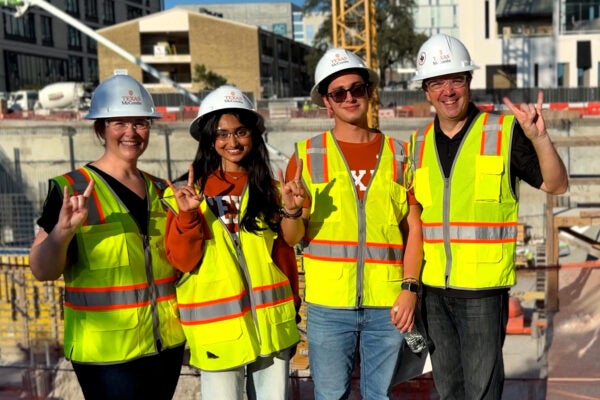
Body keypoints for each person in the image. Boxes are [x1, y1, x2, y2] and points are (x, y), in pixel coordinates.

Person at [409, 33, 568, 399]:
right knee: (448, 390)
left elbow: (556, 185)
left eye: (456, 80)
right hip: (434, 292)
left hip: (482, 293)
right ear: (426, 91)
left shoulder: (503, 132)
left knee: (482, 392)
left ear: (469, 82)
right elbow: (415, 220)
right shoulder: (416, 146)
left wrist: (540, 138)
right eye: (437, 82)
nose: (448, 90)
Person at [28, 73, 186, 400]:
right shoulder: (71, 188)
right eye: (119, 123)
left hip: (164, 347)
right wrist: (62, 233)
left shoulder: (161, 190)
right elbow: (42, 269)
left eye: (140, 123)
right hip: (105, 354)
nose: (131, 133)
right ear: (100, 129)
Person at [282, 48, 424, 399]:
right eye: (338, 92)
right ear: (326, 103)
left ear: (369, 93)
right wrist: (293, 210)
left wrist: (410, 289)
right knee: (331, 396)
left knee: (381, 396)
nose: (349, 97)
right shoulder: (305, 157)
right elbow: (291, 237)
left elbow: (414, 229)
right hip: (328, 307)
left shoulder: (400, 153)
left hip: (387, 304)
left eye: (356, 88)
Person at [162, 85, 300, 400]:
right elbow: (182, 261)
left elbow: (286, 251)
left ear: (253, 135)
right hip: (217, 331)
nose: (232, 142)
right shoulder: (186, 194)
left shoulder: (272, 190)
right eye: (222, 134)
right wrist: (188, 217)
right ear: (210, 139)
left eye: (240, 132)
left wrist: (292, 210)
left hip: (271, 325)